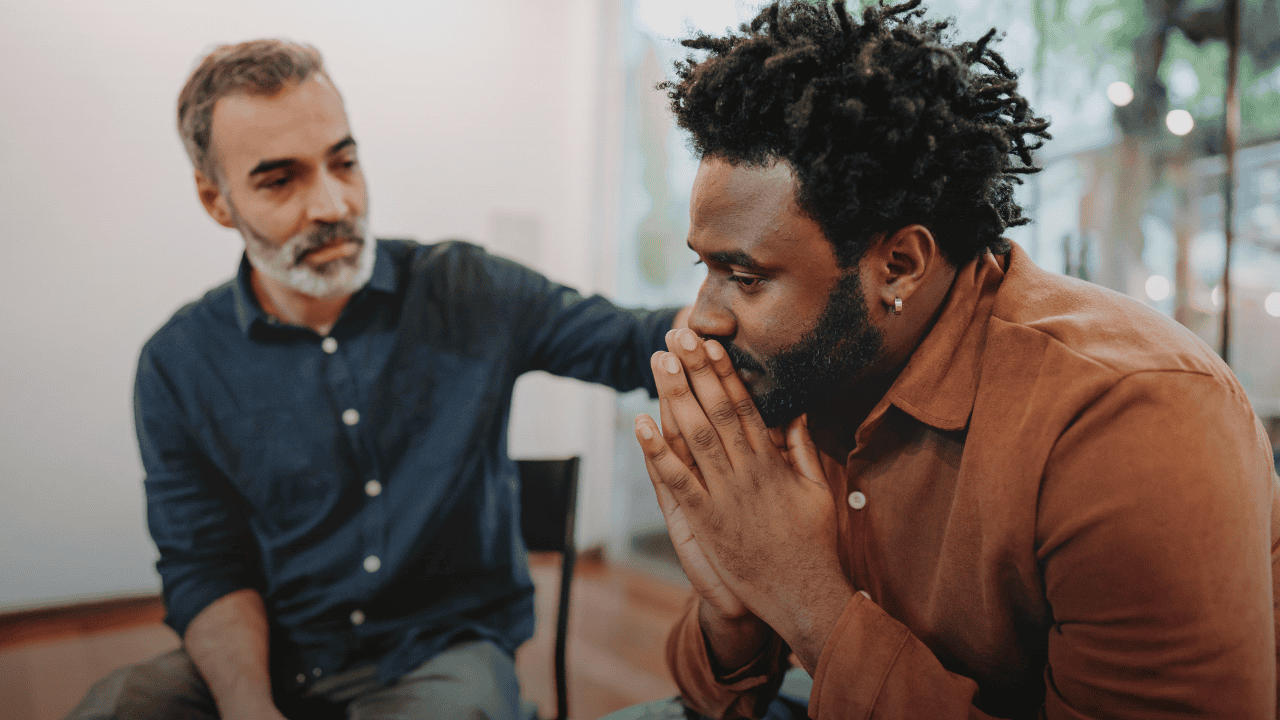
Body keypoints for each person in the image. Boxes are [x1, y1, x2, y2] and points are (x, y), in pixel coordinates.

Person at [630, 1, 1280, 718]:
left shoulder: (1133, 414)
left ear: (899, 266)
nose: (702, 317)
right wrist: (734, 608)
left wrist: (801, 591)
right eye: (704, 268)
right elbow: (715, 697)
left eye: (744, 276)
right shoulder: (810, 375)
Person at [68, 40, 682, 720]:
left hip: (445, 651)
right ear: (216, 198)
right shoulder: (178, 364)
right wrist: (247, 705)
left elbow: (637, 343)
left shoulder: (467, 289)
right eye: (280, 180)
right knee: (117, 705)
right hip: (277, 651)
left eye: (344, 162)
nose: (332, 205)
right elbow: (204, 564)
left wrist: (771, 293)